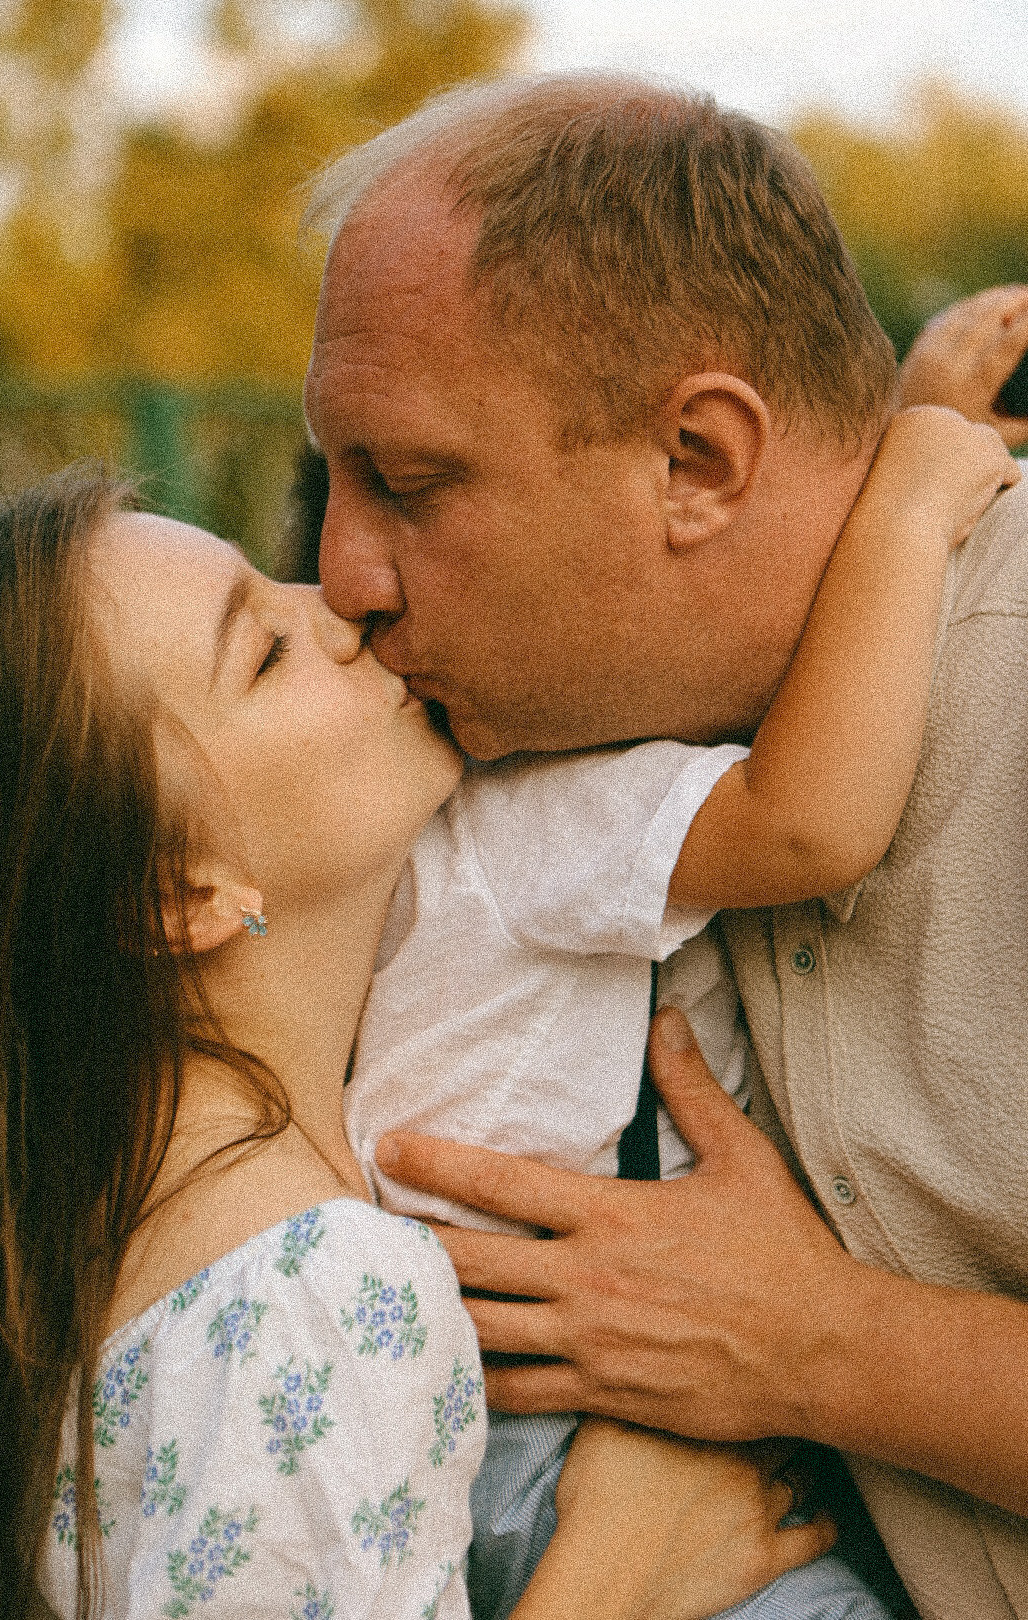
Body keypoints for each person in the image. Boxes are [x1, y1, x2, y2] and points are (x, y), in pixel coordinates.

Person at [301, 75, 1028, 1620]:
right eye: (334, 480)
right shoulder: (571, 760)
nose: (341, 575)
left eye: (411, 486)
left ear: (697, 460)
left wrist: (824, 1349)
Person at [0, 468, 834, 1620]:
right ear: (177, 894)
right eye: (261, 653)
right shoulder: (307, 1291)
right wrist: (618, 1571)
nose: (341, 604)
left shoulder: (79, 1250)